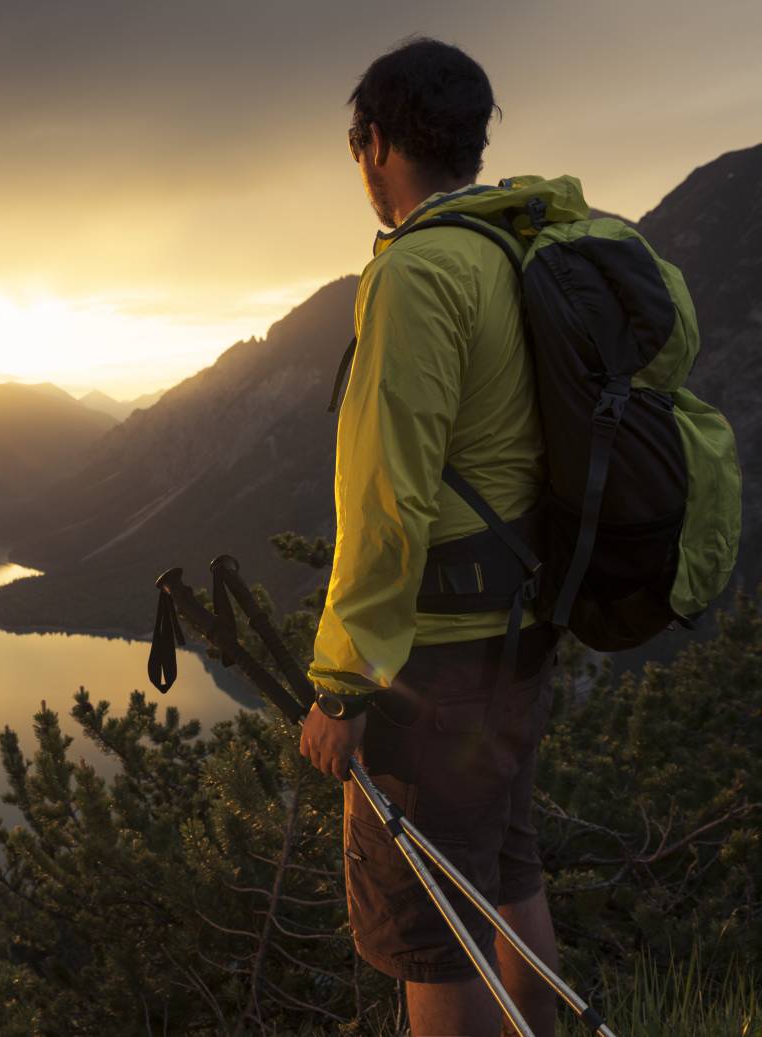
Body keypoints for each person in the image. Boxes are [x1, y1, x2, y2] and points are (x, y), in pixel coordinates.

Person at [298, 37, 563, 1037]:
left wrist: (341, 686)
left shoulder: (415, 275)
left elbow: (385, 503)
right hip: (517, 627)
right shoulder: (510, 252)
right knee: (503, 865)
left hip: (434, 656)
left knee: (427, 923)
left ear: (371, 145)